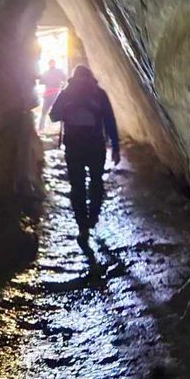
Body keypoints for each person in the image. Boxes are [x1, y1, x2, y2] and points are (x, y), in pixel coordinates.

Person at [49, 65, 120, 245]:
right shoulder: (98, 93)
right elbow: (110, 120)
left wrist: (69, 107)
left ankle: (82, 226)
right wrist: (115, 147)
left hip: (74, 145)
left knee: (77, 185)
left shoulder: (67, 93)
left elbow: (53, 116)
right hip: (95, 144)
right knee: (96, 181)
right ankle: (93, 217)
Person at [36, 59, 66, 133]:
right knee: (55, 110)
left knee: (45, 111)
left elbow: (41, 81)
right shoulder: (58, 71)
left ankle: (41, 128)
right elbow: (65, 78)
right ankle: (41, 128)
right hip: (53, 92)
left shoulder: (47, 72)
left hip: (51, 93)